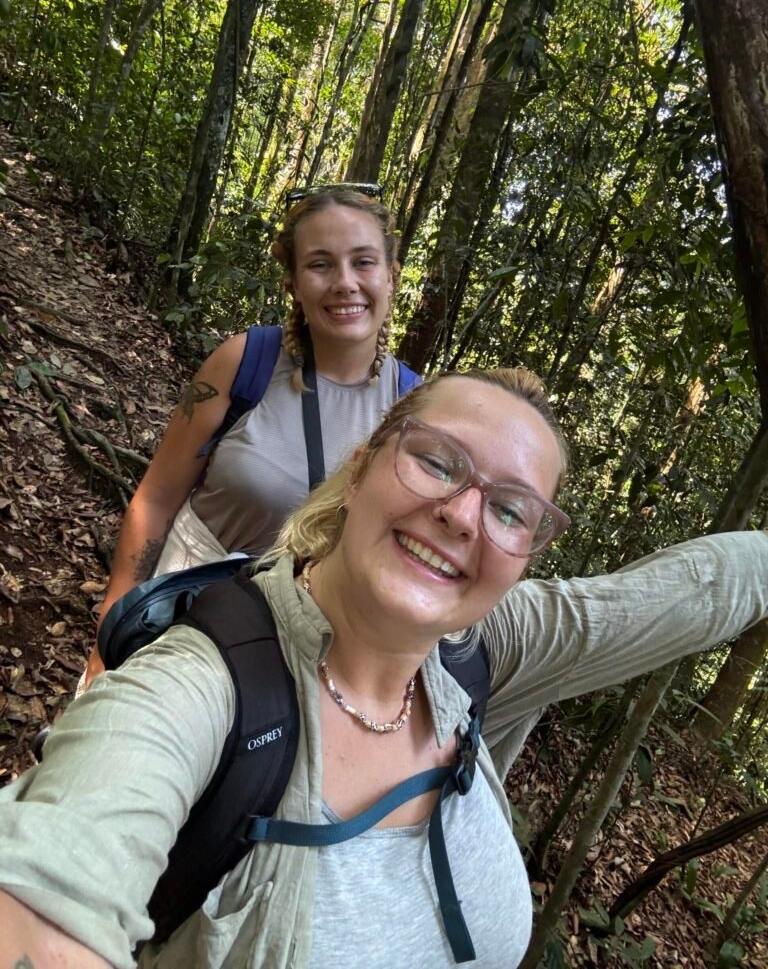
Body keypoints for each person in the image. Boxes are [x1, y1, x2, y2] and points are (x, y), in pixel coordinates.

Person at [2, 367, 767, 969]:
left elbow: (688, 594)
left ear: (525, 555)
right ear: (364, 464)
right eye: (439, 462)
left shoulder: (480, 645)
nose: (465, 514)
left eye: (510, 510)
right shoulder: (196, 692)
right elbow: (54, 883)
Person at [85, 183, 414, 683]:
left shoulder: (410, 408)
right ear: (294, 283)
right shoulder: (245, 362)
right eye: (321, 264)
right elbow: (154, 500)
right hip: (181, 606)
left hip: (292, 651)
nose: (345, 282)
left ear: (391, 277)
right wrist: (110, 633)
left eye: (363, 262)